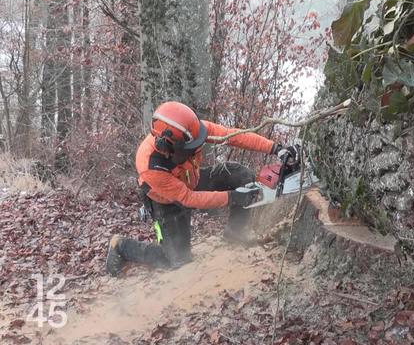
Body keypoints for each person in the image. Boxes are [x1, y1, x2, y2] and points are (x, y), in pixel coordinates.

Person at [105, 101, 296, 276]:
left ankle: (235, 233)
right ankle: (121, 246)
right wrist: (232, 197)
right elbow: (187, 198)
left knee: (241, 176)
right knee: (177, 260)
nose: (196, 148)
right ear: (169, 148)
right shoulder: (151, 167)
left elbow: (233, 136)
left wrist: (275, 148)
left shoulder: (191, 129)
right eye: (190, 148)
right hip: (168, 200)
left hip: (192, 178)